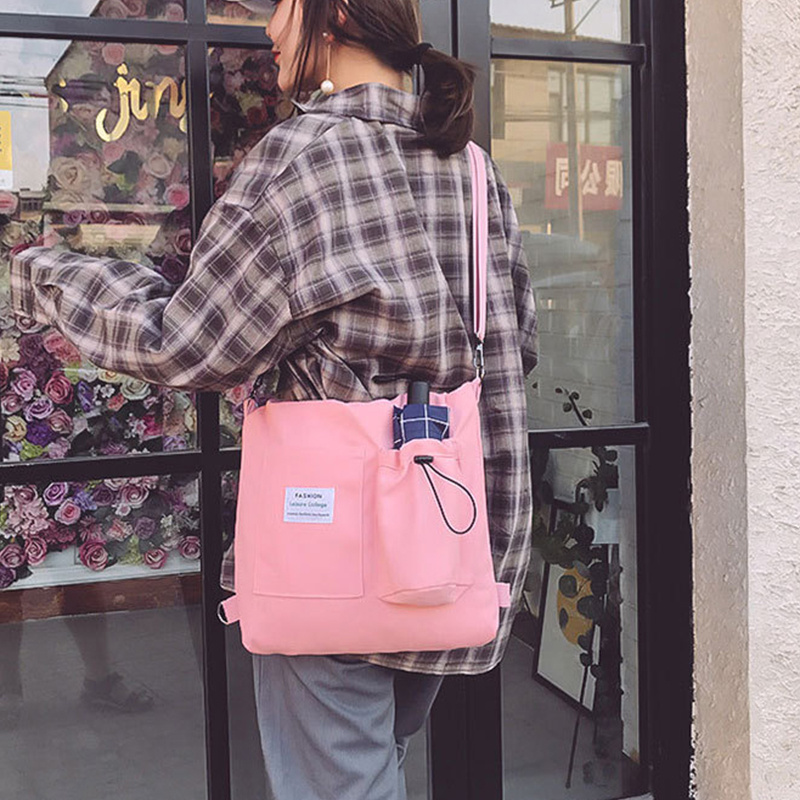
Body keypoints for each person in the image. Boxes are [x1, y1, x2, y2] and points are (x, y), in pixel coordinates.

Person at [9, 0, 538, 797]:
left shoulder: (302, 158)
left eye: (283, 6)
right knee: (373, 765)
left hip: (336, 551)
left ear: (337, 13)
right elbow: (514, 347)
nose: (268, 28)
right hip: (452, 541)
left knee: (344, 782)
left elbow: (187, 344)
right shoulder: (471, 169)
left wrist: (42, 272)